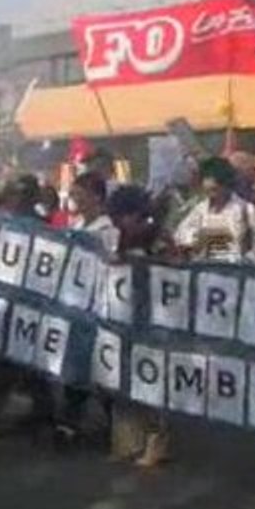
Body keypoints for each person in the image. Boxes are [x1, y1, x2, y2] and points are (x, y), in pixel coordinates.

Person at [0, 174, 56, 440]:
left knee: (19, 370)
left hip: (26, 306)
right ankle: (45, 419)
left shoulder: (38, 228)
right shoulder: (3, 225)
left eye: (22, 194)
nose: (18, 199)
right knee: (14, 369)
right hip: (12, 305)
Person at [107, 185, 170, 467]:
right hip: (128, 317)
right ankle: (129, 442)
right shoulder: (125, 237)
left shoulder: (157, 238)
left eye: (123, 216)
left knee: (151, 381)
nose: (119, 222)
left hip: (154, 318)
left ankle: (157, 442)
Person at [57, 172, 120, 446]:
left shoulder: (109, 232)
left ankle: (115, 427)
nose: (74, 199)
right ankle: (69, 424)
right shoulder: (76, 225)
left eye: (78, 194)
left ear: (95, 196)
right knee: (76, 368)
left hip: (98, 308)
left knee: (101, 371)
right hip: (75, 305)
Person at [175, 157, 255, 264]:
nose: (212, 195)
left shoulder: (246, 209)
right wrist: (192, 245)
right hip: (204, 270)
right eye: (208, 191)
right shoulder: (200, 210)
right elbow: (181, 235)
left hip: (234, 272)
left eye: (215, 190)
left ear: (226, 184)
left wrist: (248, 260)